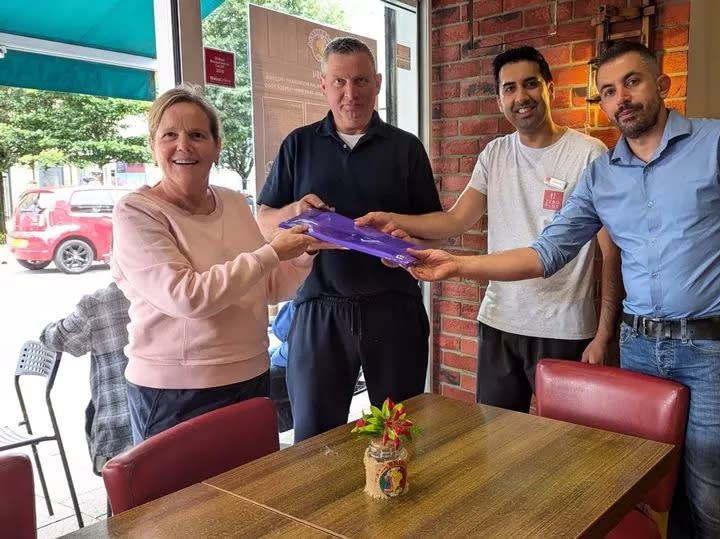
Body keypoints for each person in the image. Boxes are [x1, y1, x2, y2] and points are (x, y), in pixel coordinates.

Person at [406, 41, 720, 538]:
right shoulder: (600, 175)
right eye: (610, 91)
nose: (622, 99)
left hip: (713, 348)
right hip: (638, 348)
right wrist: (458, 266)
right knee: (634, 489)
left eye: (633, 82)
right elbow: (544, 252)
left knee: (708, 497)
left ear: (662, 85)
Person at [356, 46, 621, 413]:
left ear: (550, 88)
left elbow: (611, 251)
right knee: (495, 441)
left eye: (530, 84)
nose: (521, 96)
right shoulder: (494, 154)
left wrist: (605, 332)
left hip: (565, 329)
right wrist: (393, 219)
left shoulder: (588, 154)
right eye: (509, 88)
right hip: (499, 323)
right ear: (499, 100)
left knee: (567, 447)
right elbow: (454, 221)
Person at [112, 85, 331, 444]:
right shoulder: (137, 212)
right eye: (170, 135)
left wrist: (306, 248)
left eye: (197, 135)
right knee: (181, 502)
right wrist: (273, 252)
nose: (184, 146)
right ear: (154, 147)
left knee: (253, 496)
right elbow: (186, 297)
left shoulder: (233, 202)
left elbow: (271, 286)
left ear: (216, 147)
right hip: (174, 394)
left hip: (251, 378)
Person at [256, 37, 441, 442]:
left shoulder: (406, 148)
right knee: (314, 440)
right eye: (339, 81)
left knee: (398, 434)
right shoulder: (298, 144)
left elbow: (433, 223)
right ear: (323, 85)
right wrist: (295, 213)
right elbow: (264, 218)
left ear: (377, 83)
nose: (350, 93)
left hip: (394, 306)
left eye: (360, 81)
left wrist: (404, 234)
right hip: (318, 307)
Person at [39, 282, 132, 475]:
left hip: (117, 428)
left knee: (122, 496)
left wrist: (47, 330)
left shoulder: (97, 304)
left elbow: (57, 338)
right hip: (169, 419)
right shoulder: (172, 295)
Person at [268, 302, 294, 432]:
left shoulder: (305, 291)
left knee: (260, 382)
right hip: (292, 352)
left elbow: (279, 329)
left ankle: (288, 429)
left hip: (296, 359)